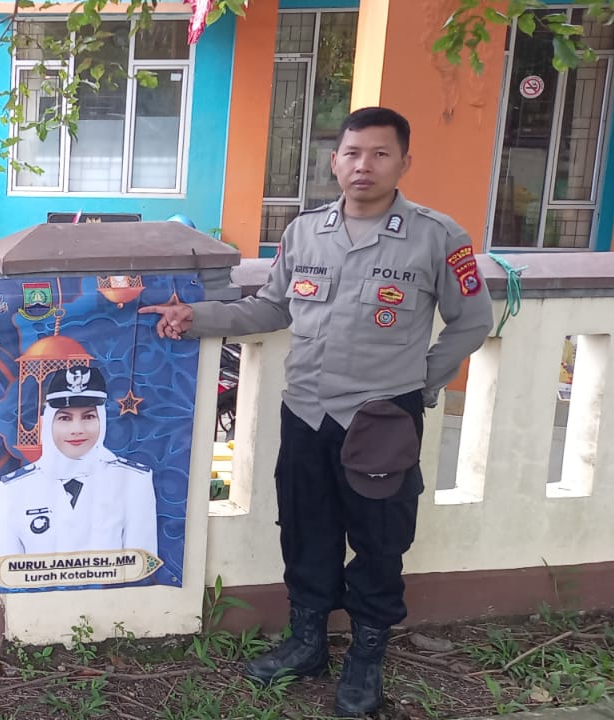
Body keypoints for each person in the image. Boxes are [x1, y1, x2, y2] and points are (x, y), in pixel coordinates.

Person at [140, 107, 492, 716]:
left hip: (382, 419)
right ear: (335, 161)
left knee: (380, 540)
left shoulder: (437, 236)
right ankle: (307, 644)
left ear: (404, 163)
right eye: (352, 153)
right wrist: (196, 317)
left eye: (380, 154)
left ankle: (366, 659)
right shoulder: (305, 232)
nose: (364, 165)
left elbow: (472, 322)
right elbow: (271, 308)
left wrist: (418, 387)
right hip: (305, 412)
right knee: (306, 529)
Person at [0, 365, 158, 568]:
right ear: (49, 423)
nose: (77, 429)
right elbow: (1, 571)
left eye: (88, 417)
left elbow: (141, 569)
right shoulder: (13, 490)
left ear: (102, 420)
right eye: (65, 418)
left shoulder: (134, 481)